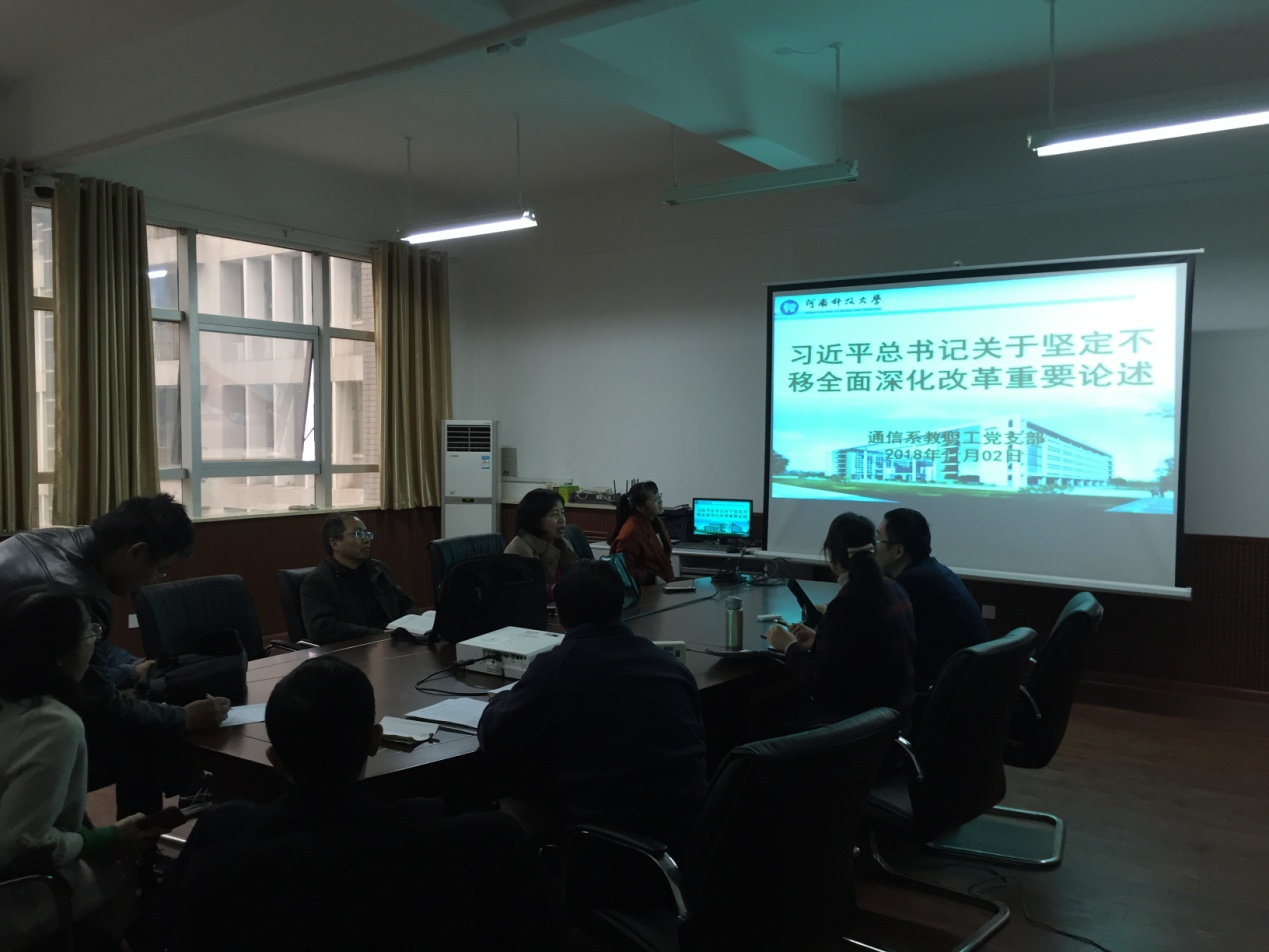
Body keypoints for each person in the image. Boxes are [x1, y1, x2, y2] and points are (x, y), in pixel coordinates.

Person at [148, 656, 446, 944]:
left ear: (274, 759)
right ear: (375, 740)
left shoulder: (222, 834)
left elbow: (157, 930)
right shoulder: (427, 827)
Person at [0, 494, 230, 817]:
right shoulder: (76, 593)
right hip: (14, 730)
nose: (155, 580)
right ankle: (138, 839)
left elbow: (94, 648)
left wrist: (131, 667)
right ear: (137, 553)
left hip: (12, 698)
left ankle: (190, 787)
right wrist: (185, 718)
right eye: (160, 570)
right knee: (143, 741)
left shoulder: (52, 540)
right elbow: (102, 707)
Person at [478, 561, 707, 855]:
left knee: (499, 819)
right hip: (691, 837)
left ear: (560, 615)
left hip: (612, 851)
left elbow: (496, 738)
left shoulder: (556, 669)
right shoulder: (670, 665)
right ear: (621, 605)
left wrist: (499, 701)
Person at [0, 587, 163, 948]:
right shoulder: (53, 725)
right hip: (13, 891)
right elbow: (21, 844)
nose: (95, 639)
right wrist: (105, 839)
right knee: (123, 879)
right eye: (90, 631)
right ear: (59, 655)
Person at [765, 512, 915, 726]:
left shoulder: (847, 604)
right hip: (895, 718)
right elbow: (861, 654)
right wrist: (817, 642)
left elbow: (820, 683)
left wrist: (789, 646)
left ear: (831, 555)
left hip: (854, 728)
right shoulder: (896, 588)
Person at [875, 508, 989, 690]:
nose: (873, 548)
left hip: (943, 690)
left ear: (898, 551)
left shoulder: (912, 583)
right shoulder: (933, 571)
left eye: (879, 540)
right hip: (968, 685)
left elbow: (880, 639)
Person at [300, 513, 422, 645]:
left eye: (367, 534)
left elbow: (405, 604)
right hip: (354, 648)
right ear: (335, 544)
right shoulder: (317, 582)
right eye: (358, 534)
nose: (366, 540)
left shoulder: (377, 570)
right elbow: (321, 629)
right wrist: (379, 634)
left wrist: (417, 622)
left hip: (392, 642)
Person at [504, 489, 579, 596]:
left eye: (562, 513)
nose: (562, 520)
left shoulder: (563, 543)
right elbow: (525, 594)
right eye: (554, 514)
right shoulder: (517, 551)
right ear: (535, 519)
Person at [609, 481, 675, 585]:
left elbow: (665, 559)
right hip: (647, 589)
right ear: (640, 507)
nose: (660, 501)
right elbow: (623, 570)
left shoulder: (656, 521)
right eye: (654, 499)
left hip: (664, 586)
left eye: (659, 496)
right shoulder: (631, 532)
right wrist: (652, 578)